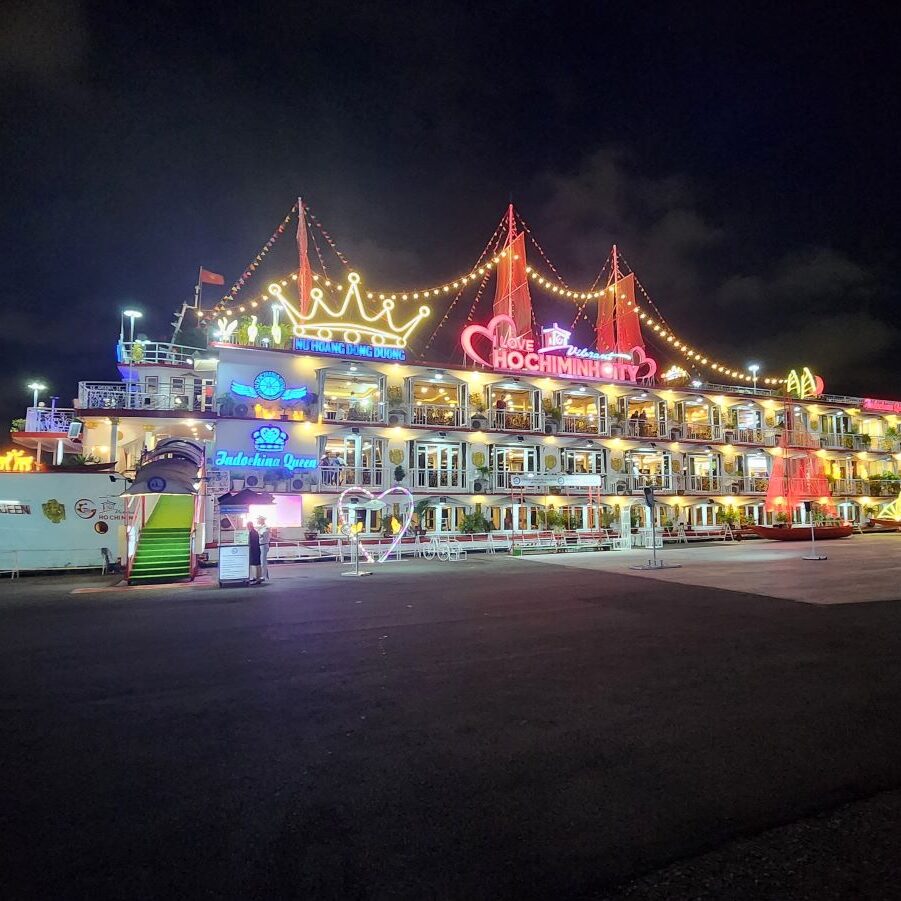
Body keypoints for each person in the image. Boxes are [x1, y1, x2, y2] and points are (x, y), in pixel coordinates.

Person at [256, 516, 271, 582]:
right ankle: (263, 575)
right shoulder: (260, 528)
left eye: (258, 520)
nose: (258, 521)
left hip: (264, 545)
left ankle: (263, 576)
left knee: (263, 561)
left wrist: (258, 532)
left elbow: (261, 535)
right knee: (262, 561)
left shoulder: (266, 528)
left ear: (262, 520)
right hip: (260, 545)